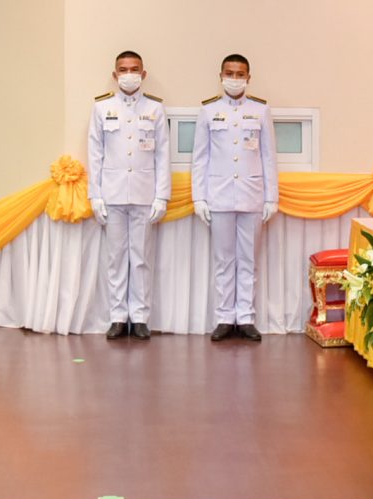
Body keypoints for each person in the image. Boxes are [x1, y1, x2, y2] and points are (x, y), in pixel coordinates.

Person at [191, 54, 277, 342]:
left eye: (240, 74)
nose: (235, 79)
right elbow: (200, 158)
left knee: (249, 259)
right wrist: (199, 198)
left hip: (252, 196)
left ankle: (246, 317)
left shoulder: (260, 111)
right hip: (219, 196)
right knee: (224, 261)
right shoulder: (208, 111)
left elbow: (268, 157)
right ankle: (225, 317)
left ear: (248, 78)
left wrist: (271, 198)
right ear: (221, 76)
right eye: (230, 73)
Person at [87, 50, 170, 340]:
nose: (129, 74)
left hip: (145, 194)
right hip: (112, 194)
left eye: (134, 69)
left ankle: (141, 317)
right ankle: (118, 317)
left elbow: (162, 155)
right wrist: (95, 195)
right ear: (115, 75)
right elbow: (95, 154)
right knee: (116, 258)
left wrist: (162, 196)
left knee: (141, 257)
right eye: (123, 69)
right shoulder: (102, 108)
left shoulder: (155, 109)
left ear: (143, 74)